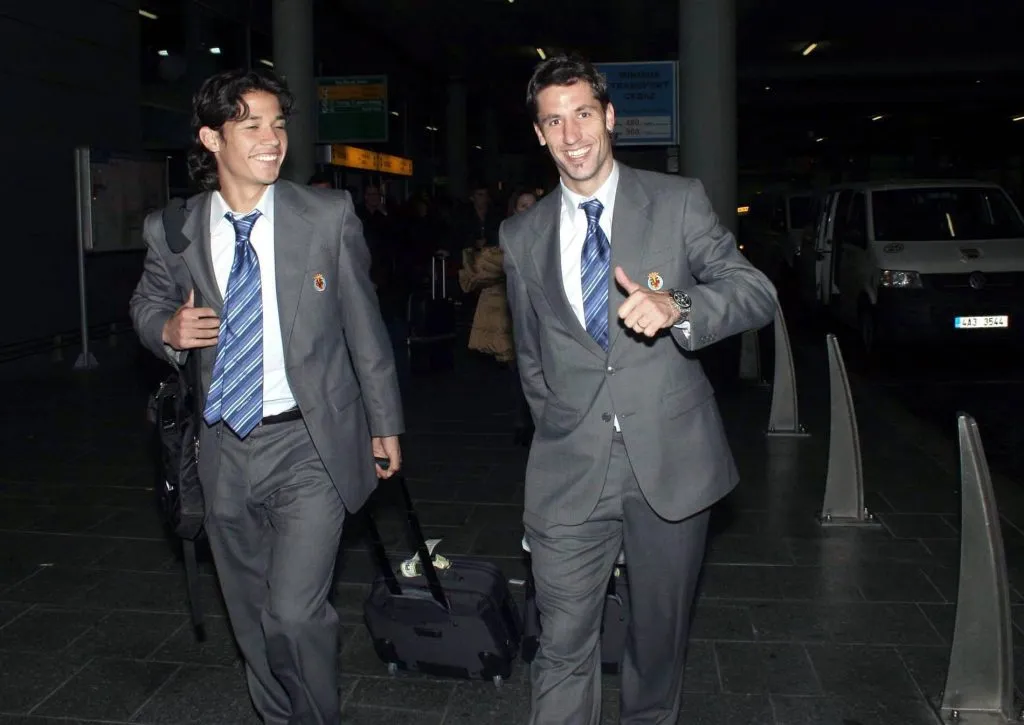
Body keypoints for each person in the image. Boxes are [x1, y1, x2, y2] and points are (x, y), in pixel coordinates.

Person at [500, 55, 777, 724]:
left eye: (584, 115)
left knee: (656, 645)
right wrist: (562, 427)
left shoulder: (676, 201)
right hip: (570, 469)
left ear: (611, 118)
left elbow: (754, 292)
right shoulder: (520, 235)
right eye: (554, 122)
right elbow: (533, 358)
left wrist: (675, 304)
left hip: (671, 460)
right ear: (539, 135)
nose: (572, 136)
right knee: (562, 641)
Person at [129, 68, 403, 725]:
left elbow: (365, 325)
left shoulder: (326, 215)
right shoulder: (175, 228)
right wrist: (166, 328)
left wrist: (385, 421)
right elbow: (145, 303)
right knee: (252, 615)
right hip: (221, 444)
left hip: (309, 439)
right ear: (210, 138)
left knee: (295, 610)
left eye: (278, 123)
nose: (271, 137)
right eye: (251, 124)